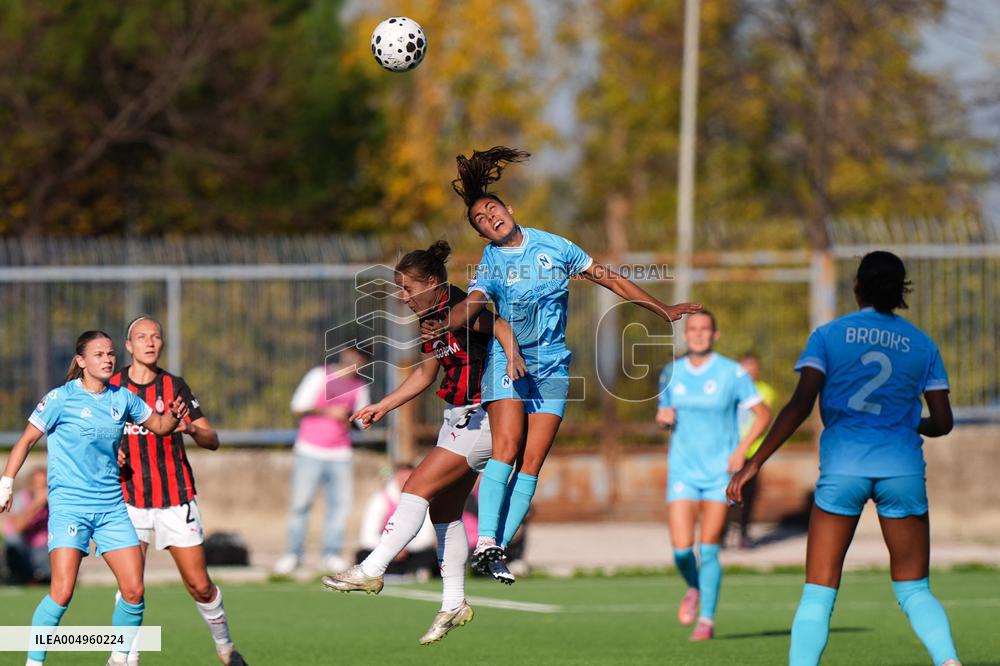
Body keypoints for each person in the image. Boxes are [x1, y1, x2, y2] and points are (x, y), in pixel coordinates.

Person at [422, 146, 702, 579]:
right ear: (481, 234)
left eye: (492, 209)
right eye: (480, 219)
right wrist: (445, 323)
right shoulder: (491, 263)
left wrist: (661, 308)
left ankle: (497, 552)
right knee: (508, 449)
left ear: (508, 208)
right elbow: (473, 305)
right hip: (508, 363)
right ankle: (488, 540)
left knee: (532, 462)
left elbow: (609, 278)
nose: (489, 218)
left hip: (553, 365)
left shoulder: (556, 247)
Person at [728, 251, 962, 666]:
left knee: (818, 591)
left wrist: (755, 462)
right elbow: (943, 422)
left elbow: (799, 405)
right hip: (902, 469)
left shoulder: (829, 335)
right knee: (914, 590)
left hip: (843, 469)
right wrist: (908, 423)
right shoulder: (922, 344)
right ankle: (949, 661)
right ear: (901, 290)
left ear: (857, 286)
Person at [323, 240, 521, 643]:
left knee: (415, 487)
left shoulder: (461, 308)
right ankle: (454, 603)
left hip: (483, 416)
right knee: (444, 512)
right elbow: (425, 373)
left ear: (432, 283)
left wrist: (513, 360)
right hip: (457, 418)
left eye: (408, 288)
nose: (402, 296)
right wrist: (384, 405)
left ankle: (372, 569)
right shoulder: (428, 320)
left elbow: (499, 325)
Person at [0, 330, 186, 666]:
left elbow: (159, 426)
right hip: (70, 508)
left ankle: (117, 659)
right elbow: (26, 440)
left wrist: (173, 414)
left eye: (111, 353)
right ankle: (33, 662)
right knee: (62, 592)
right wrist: (7, 483)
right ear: (81, 361)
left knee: (134, 590)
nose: (107, 359)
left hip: (111, 507)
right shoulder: (60, 398)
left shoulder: (123, 398)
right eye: (99, 354)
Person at [110, 315, 247, 666]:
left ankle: (226, 648)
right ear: (129, 346)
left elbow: (211, 439)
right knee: (131, 586)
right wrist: (113, 451)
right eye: (141, 337)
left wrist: (188, 428)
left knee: (200, 585)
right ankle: (125, 657)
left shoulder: (175, 387)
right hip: (127, 499)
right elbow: (94, 436)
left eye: (156, 336)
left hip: (175, 498)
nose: (150, 342)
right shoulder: (110, 387)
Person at [655, 311, 771, 641]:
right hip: (683, 470)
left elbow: (763, 414)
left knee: (708, 549)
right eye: (693, 329)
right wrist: (663, 419)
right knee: (681, 550)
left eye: (705, 329)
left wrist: (742, 450)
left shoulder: (731, 373)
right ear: (686, 335)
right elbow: (665, 416)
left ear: (715, 334)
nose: (699, 334)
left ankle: (706, 620)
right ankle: (694, 586)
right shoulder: (670, 372)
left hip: (720, 473)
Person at [274, 348, 371, 575]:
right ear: (344, 354)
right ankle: (293, 554)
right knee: (300, 504)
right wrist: (328, 412)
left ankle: (331, 555)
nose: (354, 363)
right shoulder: (319, 375)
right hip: (310, 450)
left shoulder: (360, 387)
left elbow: (362, 421)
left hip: (341, 454)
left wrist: (355, 420)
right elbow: (297, 407)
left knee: (340, 507)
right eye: (352, 356)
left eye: (360, 360)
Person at [354, 464, 437, 578]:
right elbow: (367, 536)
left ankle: (415, 571)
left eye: (409, 479)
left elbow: (426, 537)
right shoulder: (380, 498)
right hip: (384, 552)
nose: (405, 482)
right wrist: (391, 549)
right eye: (402, 478)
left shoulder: (423, 500)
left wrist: (403, 548)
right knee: (362, 555)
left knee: (430, 555)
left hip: (409, 553)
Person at [729, 352, 777, 549]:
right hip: (729, 451)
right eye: (745, 369)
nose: (749, 373)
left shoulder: (764, 391)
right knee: (723, 493)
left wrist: (746, 446)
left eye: (752, 369)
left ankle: (743, 533)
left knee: (748, 494)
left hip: (753, 452)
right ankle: (720, 534)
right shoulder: (730, 390)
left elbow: (764, 418)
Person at [2, 466, 50, 583]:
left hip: (44, 548)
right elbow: (17, 528)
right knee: (12, 540)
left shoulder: (54, 500)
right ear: (31, 484)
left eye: (44, 485)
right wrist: (36, 505)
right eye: (37, 484)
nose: (41, 488)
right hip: (25, 548)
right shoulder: (21, 498)